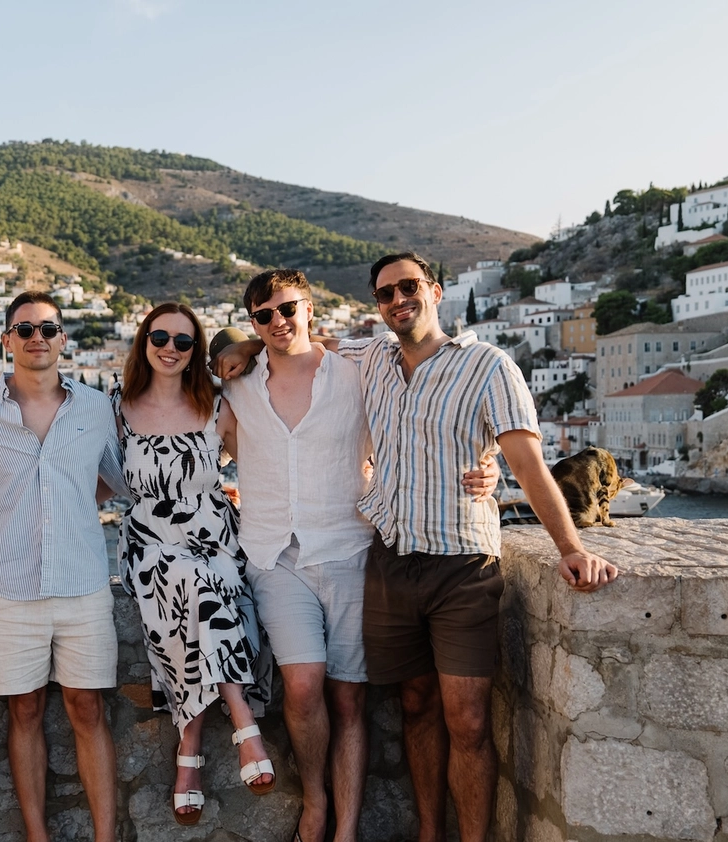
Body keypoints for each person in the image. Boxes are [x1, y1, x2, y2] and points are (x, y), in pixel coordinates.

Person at [211, 269, 499, 842]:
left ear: (310, 307)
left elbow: (423, 420)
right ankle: (315, 802)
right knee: (302, 684)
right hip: (274, 555)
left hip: (349, 547)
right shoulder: (237, 385)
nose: (277, 322)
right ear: (252, 324)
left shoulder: (358, 369)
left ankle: (344, 830)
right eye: (263, 316)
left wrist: (487, 464)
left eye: (287, 308)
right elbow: (197, 450)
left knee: (348, 698)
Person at [346, 253, 617, 842]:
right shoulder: (371, 360)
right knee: (415, 706)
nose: (398, 300)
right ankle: (428, 833)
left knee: (466, 721)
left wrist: (569, 547)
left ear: (435, 291)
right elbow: (295, 346)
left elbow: (527, 464)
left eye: (408, 287)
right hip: (391, 561)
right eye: (385, 292)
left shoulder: (490, 367)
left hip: (463, 566)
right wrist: (237, 350)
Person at [0, 291, 126, 842]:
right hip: (8, 590)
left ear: (63, 339)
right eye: (24, 329)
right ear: (6, 340)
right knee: (22, 714)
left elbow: (121, 482)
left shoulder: (96, 409)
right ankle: (36, 836)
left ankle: (104, 836)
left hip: (83, 586)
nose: (37, 338)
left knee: (88, 710)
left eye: (48, 328)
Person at [113, 302, 272, 826]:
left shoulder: (217, 404)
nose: (171, 349)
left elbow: (269, 460)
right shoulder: (117, 407)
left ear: (196, 351)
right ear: (143, 341)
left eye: (184, 342)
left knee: (205, 579)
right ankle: (243, 722)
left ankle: (191, 746)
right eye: (160, 337)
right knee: (195, 581)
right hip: (149, 543)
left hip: (213, 537)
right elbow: (85, 475)